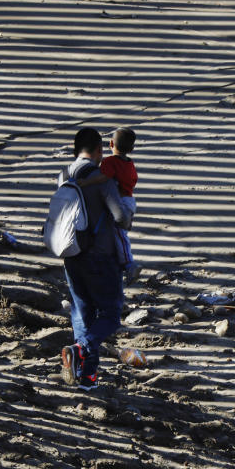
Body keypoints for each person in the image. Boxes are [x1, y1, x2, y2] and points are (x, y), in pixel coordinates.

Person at [60, 128, 133, 391]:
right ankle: (80, 351)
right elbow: (121, 218)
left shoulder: (64, 175)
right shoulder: (102, 179)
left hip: (71, 253)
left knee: (82, 313)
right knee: (111, 315)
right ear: (100, 150)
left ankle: (87, 377)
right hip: (101, 256)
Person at [78, 127, 141, 286]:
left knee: (120, 233)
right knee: (121, 232)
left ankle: (129, 263)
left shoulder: (110, 161)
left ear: (111, 143)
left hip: (122, 202)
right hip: (130, 200)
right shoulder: (130, 163)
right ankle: (123, 261)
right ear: (132, 149)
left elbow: (103, 177)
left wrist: (85, 182)